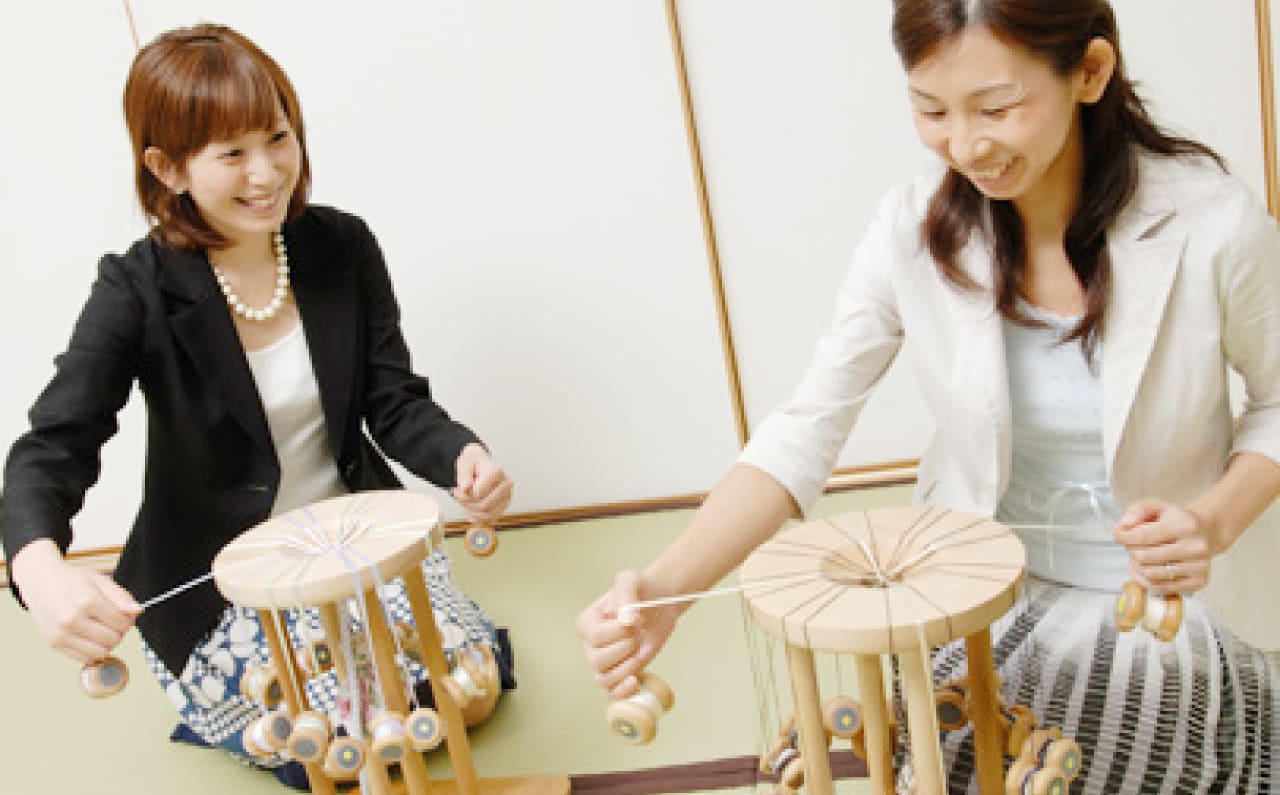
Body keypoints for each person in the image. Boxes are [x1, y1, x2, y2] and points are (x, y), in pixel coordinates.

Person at [577, 1, 1280, 791]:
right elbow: (806, 428)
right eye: (930, 109)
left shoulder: (1211, 222)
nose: (965, 145)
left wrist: (1211, 520)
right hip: (989, 604)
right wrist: (668, 590)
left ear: (1090, 72)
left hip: (1163, 612)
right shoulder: (909, 231)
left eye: (998, 108)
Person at [2, 23, 515, 790]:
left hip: (354, 540)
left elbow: (394, 400)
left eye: (277, 137)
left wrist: (460, 456)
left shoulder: (340, 245)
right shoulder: (134, 290)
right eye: (232, 153)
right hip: (223, 582)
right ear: (167, 166)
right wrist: (36, 563)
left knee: (462, 696)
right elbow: (55, 443)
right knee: (334, 743)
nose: (268, 171)